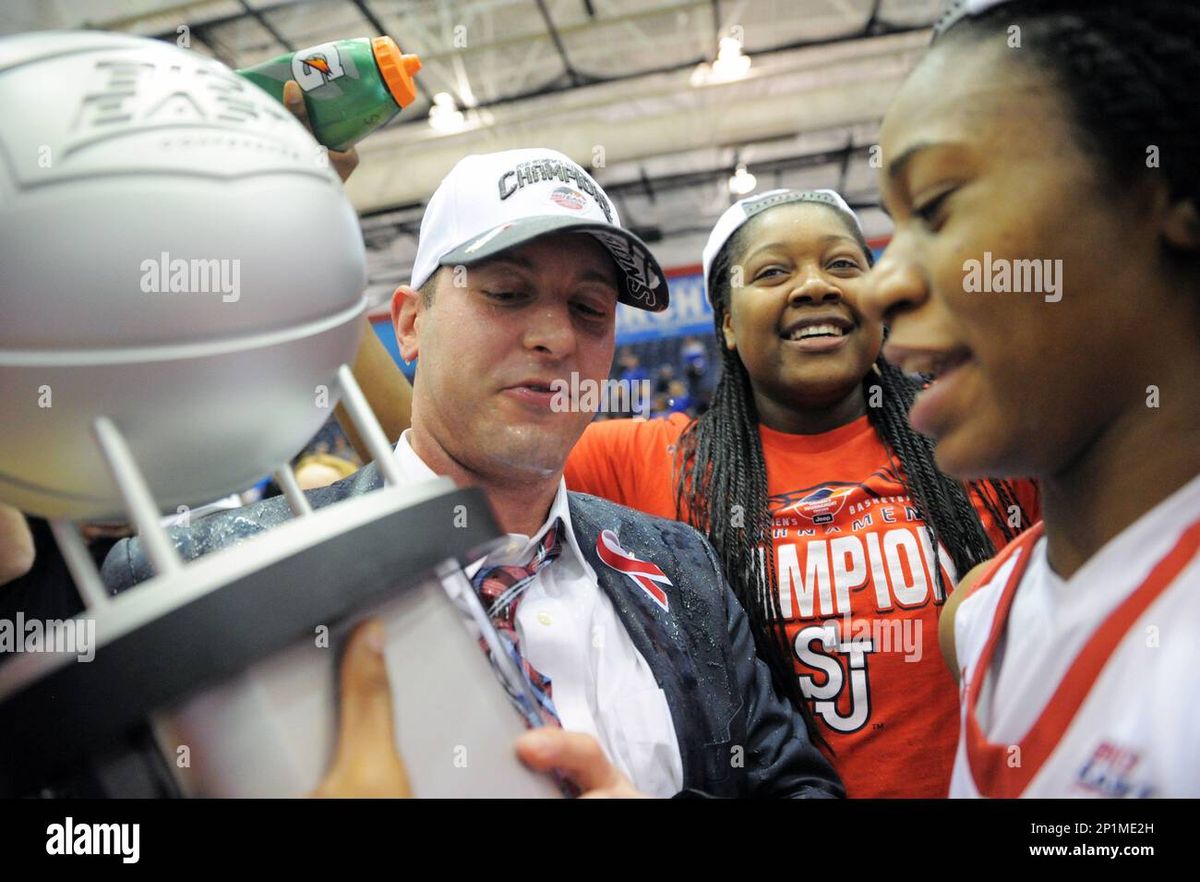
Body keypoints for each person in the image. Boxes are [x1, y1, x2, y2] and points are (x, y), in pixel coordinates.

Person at [102, 148, 843, 799]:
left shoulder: (684, 572)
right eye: (507, 292)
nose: (555, 337)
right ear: (411, 323)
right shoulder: (201, 575)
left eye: (589, 307)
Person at [562, 188, 1038, 797]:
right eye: (772, 272)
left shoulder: (983, 433)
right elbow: (445, 450)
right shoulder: (652, 459)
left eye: (843, 264)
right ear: (728, 323)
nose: (814, 286)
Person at [863, 0, 1200, 797]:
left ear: (1165, 196)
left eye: (938, 205)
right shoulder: (983, 615)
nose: (880, 285)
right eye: (894, 224)